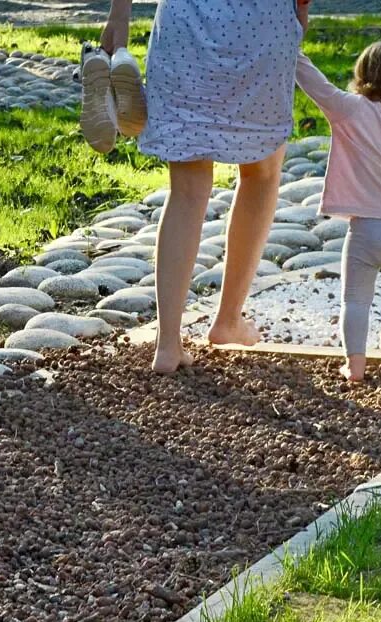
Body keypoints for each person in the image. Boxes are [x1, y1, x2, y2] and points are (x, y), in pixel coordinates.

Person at [99, 0, 306, 373]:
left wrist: (119, 14)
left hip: (185, 27)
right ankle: (228, 320)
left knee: (187, 191)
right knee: (262, 174)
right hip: (262, 27)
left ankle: (167, 343)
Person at [294, 34, 381, 381]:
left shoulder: (351, 110)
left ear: (361, 79)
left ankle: (354, 364)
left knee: (356, 300)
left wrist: (292, 50)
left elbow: (317, 84)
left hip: (367, 231)